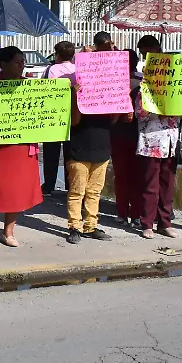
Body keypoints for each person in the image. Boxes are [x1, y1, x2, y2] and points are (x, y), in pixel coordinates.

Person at [0, 46, 44, 247]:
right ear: (3, 64)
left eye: (22, 62)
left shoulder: (27, 85)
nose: (21, 65)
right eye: (17, 62)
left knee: (17, 190)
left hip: (21, 146)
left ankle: (8, 231)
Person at [133, 35, 182, 239]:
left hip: (170, 142)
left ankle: (165, 222)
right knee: (150, 185)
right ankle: (147, 224)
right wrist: (157, 110)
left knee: (167, 185)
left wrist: (177, 109)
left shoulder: (176, 90)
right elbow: (140, 114)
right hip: (151, 142)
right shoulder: (143, 90)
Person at [65, 78, 116, 244]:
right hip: (79, 149)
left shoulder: (107, 93)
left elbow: (113, 120)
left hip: (102, 149)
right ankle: (74, 227)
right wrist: (76, 96)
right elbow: (74, 120)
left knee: (94, 192)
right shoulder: (76, 92)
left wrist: (122, 101)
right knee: (76, 191)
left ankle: (90, 226)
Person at [111, 49, 142, 228]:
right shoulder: (143, 83)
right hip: (137, 135)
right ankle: (135, 215)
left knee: (121, 176)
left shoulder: (113, 82)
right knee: (136, 176)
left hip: (120, 134)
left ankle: (122, 213)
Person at [41, 41, 77, 194]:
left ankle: (49, 185)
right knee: (71, 153)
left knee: (51, 152)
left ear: (58, 55)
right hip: (74, 117)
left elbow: (42, 90)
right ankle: (71, 185)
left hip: (53, 116)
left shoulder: (49, 70)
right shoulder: (78, 70)